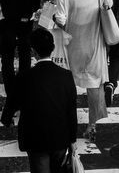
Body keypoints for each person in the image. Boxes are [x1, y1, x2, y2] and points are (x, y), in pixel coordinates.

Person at [52, 0, 113, 143]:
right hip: (94, 44)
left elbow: (60, 20)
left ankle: (66, 123)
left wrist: (51, 16)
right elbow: (108, 3)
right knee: (94, 85)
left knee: (68, 85)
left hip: (72, 46)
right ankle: (91, 125)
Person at [13, 26, 78, 173]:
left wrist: (7, 118)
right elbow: (71, 111)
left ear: (33, 52)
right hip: (60, 138)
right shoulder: (66, 76)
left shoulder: (25, 76)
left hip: (35, 139)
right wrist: (72, 139)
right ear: (53, 48)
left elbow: (14, 103)